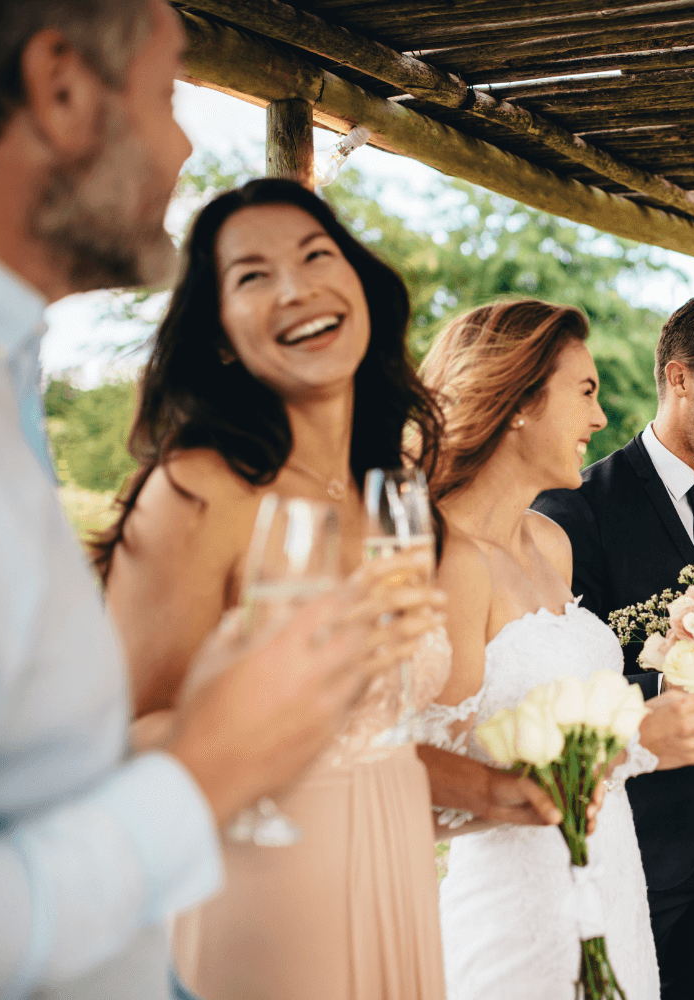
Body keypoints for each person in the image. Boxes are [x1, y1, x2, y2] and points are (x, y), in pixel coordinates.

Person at [0, 3, 438, 998]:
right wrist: (205, 769)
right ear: (62, 88)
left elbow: (29, 776)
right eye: (164, 95)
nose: (185, 139)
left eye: (316, 257)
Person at [98, 178, 508, 1000]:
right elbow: (117, 747)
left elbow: (371, 733)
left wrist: (497, 789)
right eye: (252, 275)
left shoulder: (389, 494)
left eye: (316, 255)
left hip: (395, 864)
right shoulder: (198, 488)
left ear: (359, 285)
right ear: (219, 334)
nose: (295, 287)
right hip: (261, 885)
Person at [417, 300, 694, 1000]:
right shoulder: (449, 560)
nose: (601, 418)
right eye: (586, 391)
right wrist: (636, 741)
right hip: (518, 915)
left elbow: (564, 701)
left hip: (611, 884)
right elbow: (420, 782)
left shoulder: (549, 545)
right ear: (518, 403)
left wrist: (678, 682)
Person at [532, 289, 694, 1000]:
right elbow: (557, 682)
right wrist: (672, 686)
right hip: (643, 836)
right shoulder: (573, 510)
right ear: (681, 379)